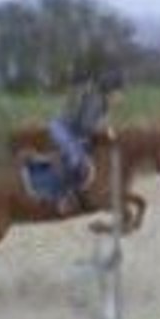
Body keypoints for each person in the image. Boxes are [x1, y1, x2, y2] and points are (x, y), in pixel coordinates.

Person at [47, 67, 125, 215]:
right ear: (110, 91)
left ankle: (82, 192)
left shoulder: (104, 103)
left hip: (74, 132)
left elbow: (98, 127)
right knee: (76, 159)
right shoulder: (95, 101)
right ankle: (62, 196)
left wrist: (108, 131)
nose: (121, 96)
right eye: (119, 91)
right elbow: (86, 125)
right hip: (62, 129)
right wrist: (106, 130)